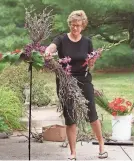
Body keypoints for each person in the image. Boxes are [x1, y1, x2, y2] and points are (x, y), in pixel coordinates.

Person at [45, 10, 108, 160]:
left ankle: (101, 145)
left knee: (91, 114)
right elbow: (52, 47)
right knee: (70, 117)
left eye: (78, 26)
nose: (75, 28)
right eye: (73, 25)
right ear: (69, 24)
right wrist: (48, 51)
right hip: (66, 81)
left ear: (83, 26)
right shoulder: (61, 39)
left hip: (84, 80)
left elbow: (89, 63)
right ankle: (73, 152)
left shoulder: (87, 42)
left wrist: (92, 62)